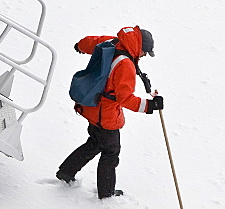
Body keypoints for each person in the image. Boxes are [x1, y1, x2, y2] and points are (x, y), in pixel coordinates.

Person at [56, 26, 163, 199]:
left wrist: (79, 46)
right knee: (111, 152)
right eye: (145, 52)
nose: (144, 56)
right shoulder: (125, 65)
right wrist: (150, 106)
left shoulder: (113, 42)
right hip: (106, 115)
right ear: (139, 46)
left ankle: (66, 172)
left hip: (91, 106)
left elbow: (90, 42)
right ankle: (106, 194)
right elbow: (125, 98)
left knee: (95, 143)